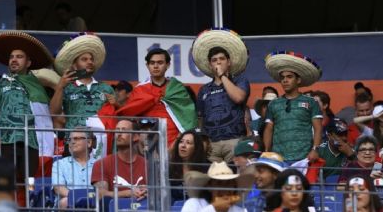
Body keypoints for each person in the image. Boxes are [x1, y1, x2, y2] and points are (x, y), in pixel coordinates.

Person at [0, 31, 55, 206]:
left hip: (32, 141)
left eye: (19, 57)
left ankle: (27, 206)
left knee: (29, 180)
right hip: (6, 140)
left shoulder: (38, 86)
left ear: (28, 62)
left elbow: (53, 111)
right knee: (6, 178)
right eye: (11, 57)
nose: (14, 60)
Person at [106, 48, 197, 147]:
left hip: (175, 142)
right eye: (152, 63)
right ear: (147, 65)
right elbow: (129, 113)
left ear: (168, 65)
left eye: (160, 62)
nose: (156, 66)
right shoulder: (140, 90)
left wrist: (177, 143)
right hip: (146, 143)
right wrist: (117, 105)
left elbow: (189, 118)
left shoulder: (177, 88)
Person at [50, 33, 114, 159]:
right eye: (84, 59)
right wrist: (60, 87)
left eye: (91, 59)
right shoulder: (67, 87)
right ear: (74, 65)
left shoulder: (106, 88)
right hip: (73, 143)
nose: (90, 62)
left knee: (99, 179)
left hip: (101, 144)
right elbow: (54, 112)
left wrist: (116, 103)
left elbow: (114, 115)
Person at [192, 29, 250, 163]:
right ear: (210, 65)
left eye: (222, 59)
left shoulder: (240, 81)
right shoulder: (204, 90)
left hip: (234, 141)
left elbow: (239, 98)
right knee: (214, 180)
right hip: (212, 144)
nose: (218, 63)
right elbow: (200, 117)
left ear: (229, 62)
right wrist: (203, 140)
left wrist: (222, 76)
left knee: (236, 179)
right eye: (214, 60)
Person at [263, 51, 323, 164]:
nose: (285, 80)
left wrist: (315, 149)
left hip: (304, 158)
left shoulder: (311, 102)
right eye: (282, 78)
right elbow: (269, 129)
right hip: (278, 158)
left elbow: (318, 128)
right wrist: (266, 151)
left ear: (298, 80)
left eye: (289, 77)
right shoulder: (273, 104)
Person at [91, 119, 147, 211]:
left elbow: (160, 192)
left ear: (135, 136)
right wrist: (128, 193)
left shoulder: (147, 164)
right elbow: (101, 194)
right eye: (117, 130)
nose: (119, 134)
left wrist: (149, 191)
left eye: (124, 130)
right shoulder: (101, 164)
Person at [52, 127, 96, 209]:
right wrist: (79, 198)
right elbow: (59, 188)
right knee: (65, 201)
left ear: (89, 142)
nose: (72, 142)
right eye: (69, 139)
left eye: (76, 139)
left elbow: (102, 190)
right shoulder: (59, 164)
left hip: (94, 203)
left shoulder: (98, 164)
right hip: (70, 205)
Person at [181, 161, 248, 212]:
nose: (224, 188)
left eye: (228, 183)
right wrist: (213, 208)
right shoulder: (193, 203)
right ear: (209, 186)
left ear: (234, 186)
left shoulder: (240, 210)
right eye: (219, 183)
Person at [169, 129, 209, 202]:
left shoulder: (206, 169)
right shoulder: (170, 168)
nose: (183, 145)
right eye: (181, 142)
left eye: (188, 143)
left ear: (196, 148)